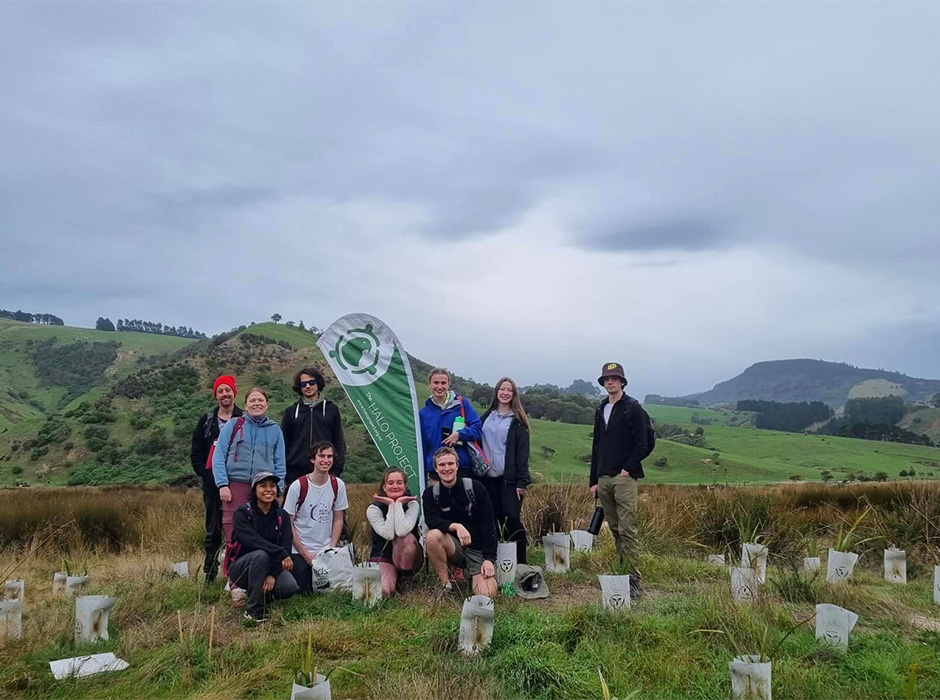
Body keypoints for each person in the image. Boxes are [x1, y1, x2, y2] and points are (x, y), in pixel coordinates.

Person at [589, 362, 648, 597]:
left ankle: (634, 580)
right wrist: (593, 480)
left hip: (624, 478)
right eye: (606, 379)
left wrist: (627, 468)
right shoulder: (601, 409)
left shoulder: (632, 407)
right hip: (603, 478)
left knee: (627, 528)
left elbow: (643, 443)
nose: (610, 382)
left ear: (622, 382)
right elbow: (596, 446)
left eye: (614, 378)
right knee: (614, 529)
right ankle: (622, 571)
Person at [213, 387, 286, 548]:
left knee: (261, 528)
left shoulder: (275, 431)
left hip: (263, 487)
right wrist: (223, 484)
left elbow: (280, 463)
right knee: (232, 528)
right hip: (235, 486)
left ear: (267, 405)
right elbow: (218, 456)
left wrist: (278, 489)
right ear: (246, 405)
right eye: (252, 400)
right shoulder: (233, 425)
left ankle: (260, 568)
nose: (256, 404)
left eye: (260, 400)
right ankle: (232, 569)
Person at [423, 446, 498, 597]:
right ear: (436, 469)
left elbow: (489, 525)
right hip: (453, 547)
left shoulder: (475, 488)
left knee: (486, 594)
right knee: (432, 536)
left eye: (450, 464)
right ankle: (446, 585)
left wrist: (489, 559)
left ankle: (479, 574)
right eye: (442, 465)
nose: (446, 468)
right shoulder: (431, 494)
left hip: (477, 550)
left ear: (457, 466)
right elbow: (431, 520)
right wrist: (456, 527)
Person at [189, 375, 243, 582]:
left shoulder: (244, 418)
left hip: (238, 484)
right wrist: (205, 473)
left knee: (238, 528)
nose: (224, 394)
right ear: (216, 395)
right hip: (212, 487)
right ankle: (210, 573)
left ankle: (237, 573)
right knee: (213, 529)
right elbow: (196, 451)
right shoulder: (207, 420)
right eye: (220, 391)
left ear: (234, 392)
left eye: (227, 390)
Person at [226, 471, 298, 623]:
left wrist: (272, 574)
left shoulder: (282, 516)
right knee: (260, 555)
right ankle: (253, 611)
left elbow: (286, 544)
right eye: (263, 485)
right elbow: (252, 541)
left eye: (272, 486)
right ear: (254, 490)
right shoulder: (243, 514)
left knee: (289, 586)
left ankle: (257, 596)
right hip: (241, 568)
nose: (268, 489)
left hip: (270, 566)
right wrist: (280, 552)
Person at [283, 441, 349, 593]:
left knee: (333, 586)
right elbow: (289, 522)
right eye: (321, 456)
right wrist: (305, 553)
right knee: (305, 587)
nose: (326, 460)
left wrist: (332, 548)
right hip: (300, 549)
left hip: (325, 548)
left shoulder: (338, 485)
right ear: (313, 459)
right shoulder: (298, 486)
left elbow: (338, 517)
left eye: (329, 456)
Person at [480, 377, 531, 564]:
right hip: (487, 479)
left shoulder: (518, 422)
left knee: (511, 518)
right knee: (492, 521)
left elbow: (523, 455)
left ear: (514, 394)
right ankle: (497, 562)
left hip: (509, 481)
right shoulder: (486, 417)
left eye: (509, 390)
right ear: (497, 392)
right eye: (502, 389)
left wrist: (522, 482)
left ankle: (521, 563)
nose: (505, 393)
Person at [281, 366, 346, 489]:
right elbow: (283, 444)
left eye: (311, 382)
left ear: (318, 383)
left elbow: (339, 441)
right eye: (303, 384)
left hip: (326, 473)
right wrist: (288, 475)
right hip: (295, 475)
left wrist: (336, 471)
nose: (308, 386)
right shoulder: (290, 412)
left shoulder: (331, 409)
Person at [366, 467, 423, 597]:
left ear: (405, 485)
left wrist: (399, 504)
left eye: (399, 482)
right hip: (384, 556)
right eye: (390, 483)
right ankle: (392, 578)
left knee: (405, 539)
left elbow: (402, 532)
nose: (395, 486)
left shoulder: (413, 505)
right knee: (386, 591)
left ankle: (406, 580)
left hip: (410, 556)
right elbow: (389, 535)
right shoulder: (373, 509)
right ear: (384, 487)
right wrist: (393, 505)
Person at [419, 368, 483, 482]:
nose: (440, 386)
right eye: (436, 383)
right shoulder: (424, 414)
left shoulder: (462, 405)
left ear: (449, 385)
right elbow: (423, 446)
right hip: (436, 471)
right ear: (429, 384)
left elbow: (477, 429)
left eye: (443, 383)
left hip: (462, 468)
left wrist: (460, 434)